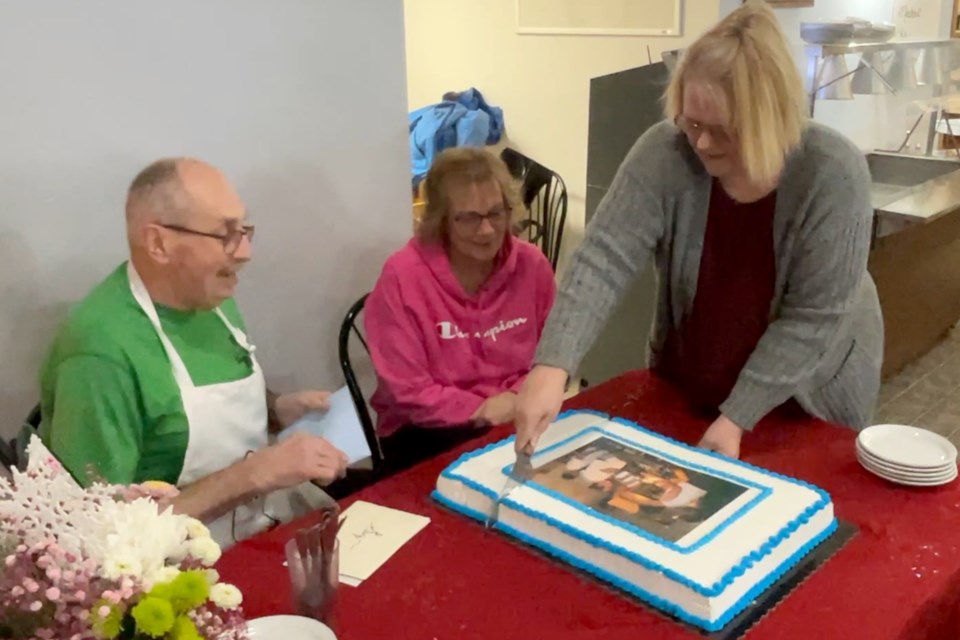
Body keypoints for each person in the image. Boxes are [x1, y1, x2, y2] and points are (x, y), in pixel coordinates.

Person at [514, 4, 883, 459]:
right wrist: (553, 366)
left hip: (808, 394)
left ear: (770, 120)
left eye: (723, 131)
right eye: (691, 124)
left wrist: (736, 418)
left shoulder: (833, 173)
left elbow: (812, 319)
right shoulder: (665, 152)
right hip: (696, 379)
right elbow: (602, 259)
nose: (702, 143)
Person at [38, 158, 348, 547]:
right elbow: (96, 532)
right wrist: (250, 475)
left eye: (245, 230)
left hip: (261, 526)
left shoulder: (210, 298)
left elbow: (186, 411)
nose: (246, 252)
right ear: (159, 243)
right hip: (174, 569)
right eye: (226, 235)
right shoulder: (99, 354)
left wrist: (277, 409)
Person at [365, 147, 556, 469]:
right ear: (441, 220)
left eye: (496, 213)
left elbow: (554, 354)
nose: (486, 230)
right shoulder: (402, 276)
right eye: (469, 218)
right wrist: (481, 409)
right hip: (428, 430)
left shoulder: (532, 265)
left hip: (517, 412)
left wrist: (515, 398)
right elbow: (408, 391)